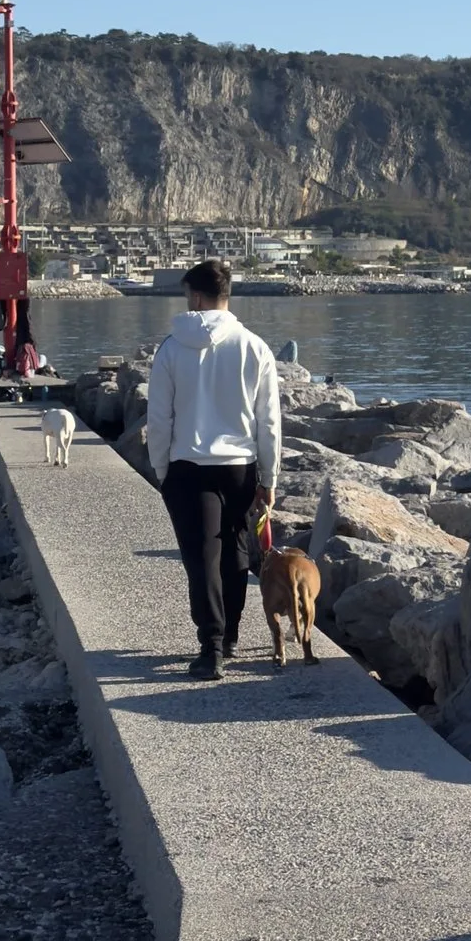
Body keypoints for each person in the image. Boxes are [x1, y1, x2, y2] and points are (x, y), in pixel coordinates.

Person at [144, 258, 281, 677]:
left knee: (202, 558)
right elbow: (269, 422)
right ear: (226, 296)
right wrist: (269, 477)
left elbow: (159, 418)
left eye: (188, 296)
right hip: (239, 467)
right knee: (235, 553)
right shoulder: (255, 347)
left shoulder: (169, 349)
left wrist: (161, 470)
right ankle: (232, 634)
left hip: (187, 467)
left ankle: (212, 647)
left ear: (197, 296)